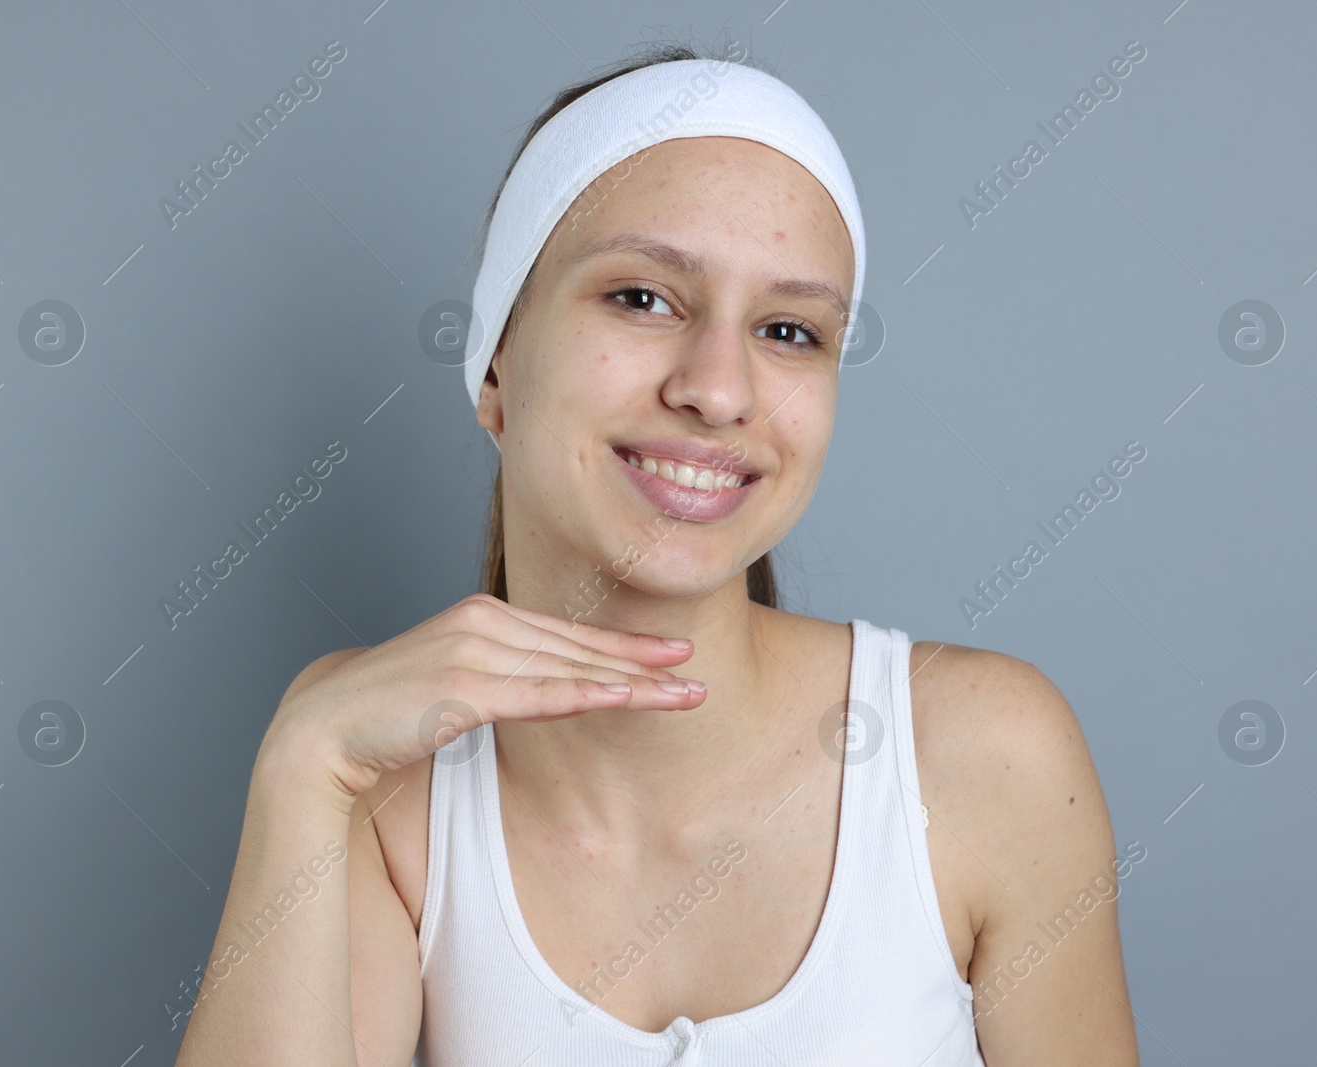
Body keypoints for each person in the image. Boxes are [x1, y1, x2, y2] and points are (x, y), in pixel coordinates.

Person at [174, 40, 1140, 1067]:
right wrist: (301, 764)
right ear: (496, 365)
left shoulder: (984, 754)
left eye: (787, 329)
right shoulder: (377, 771)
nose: (718, 388)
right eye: (642, 298)